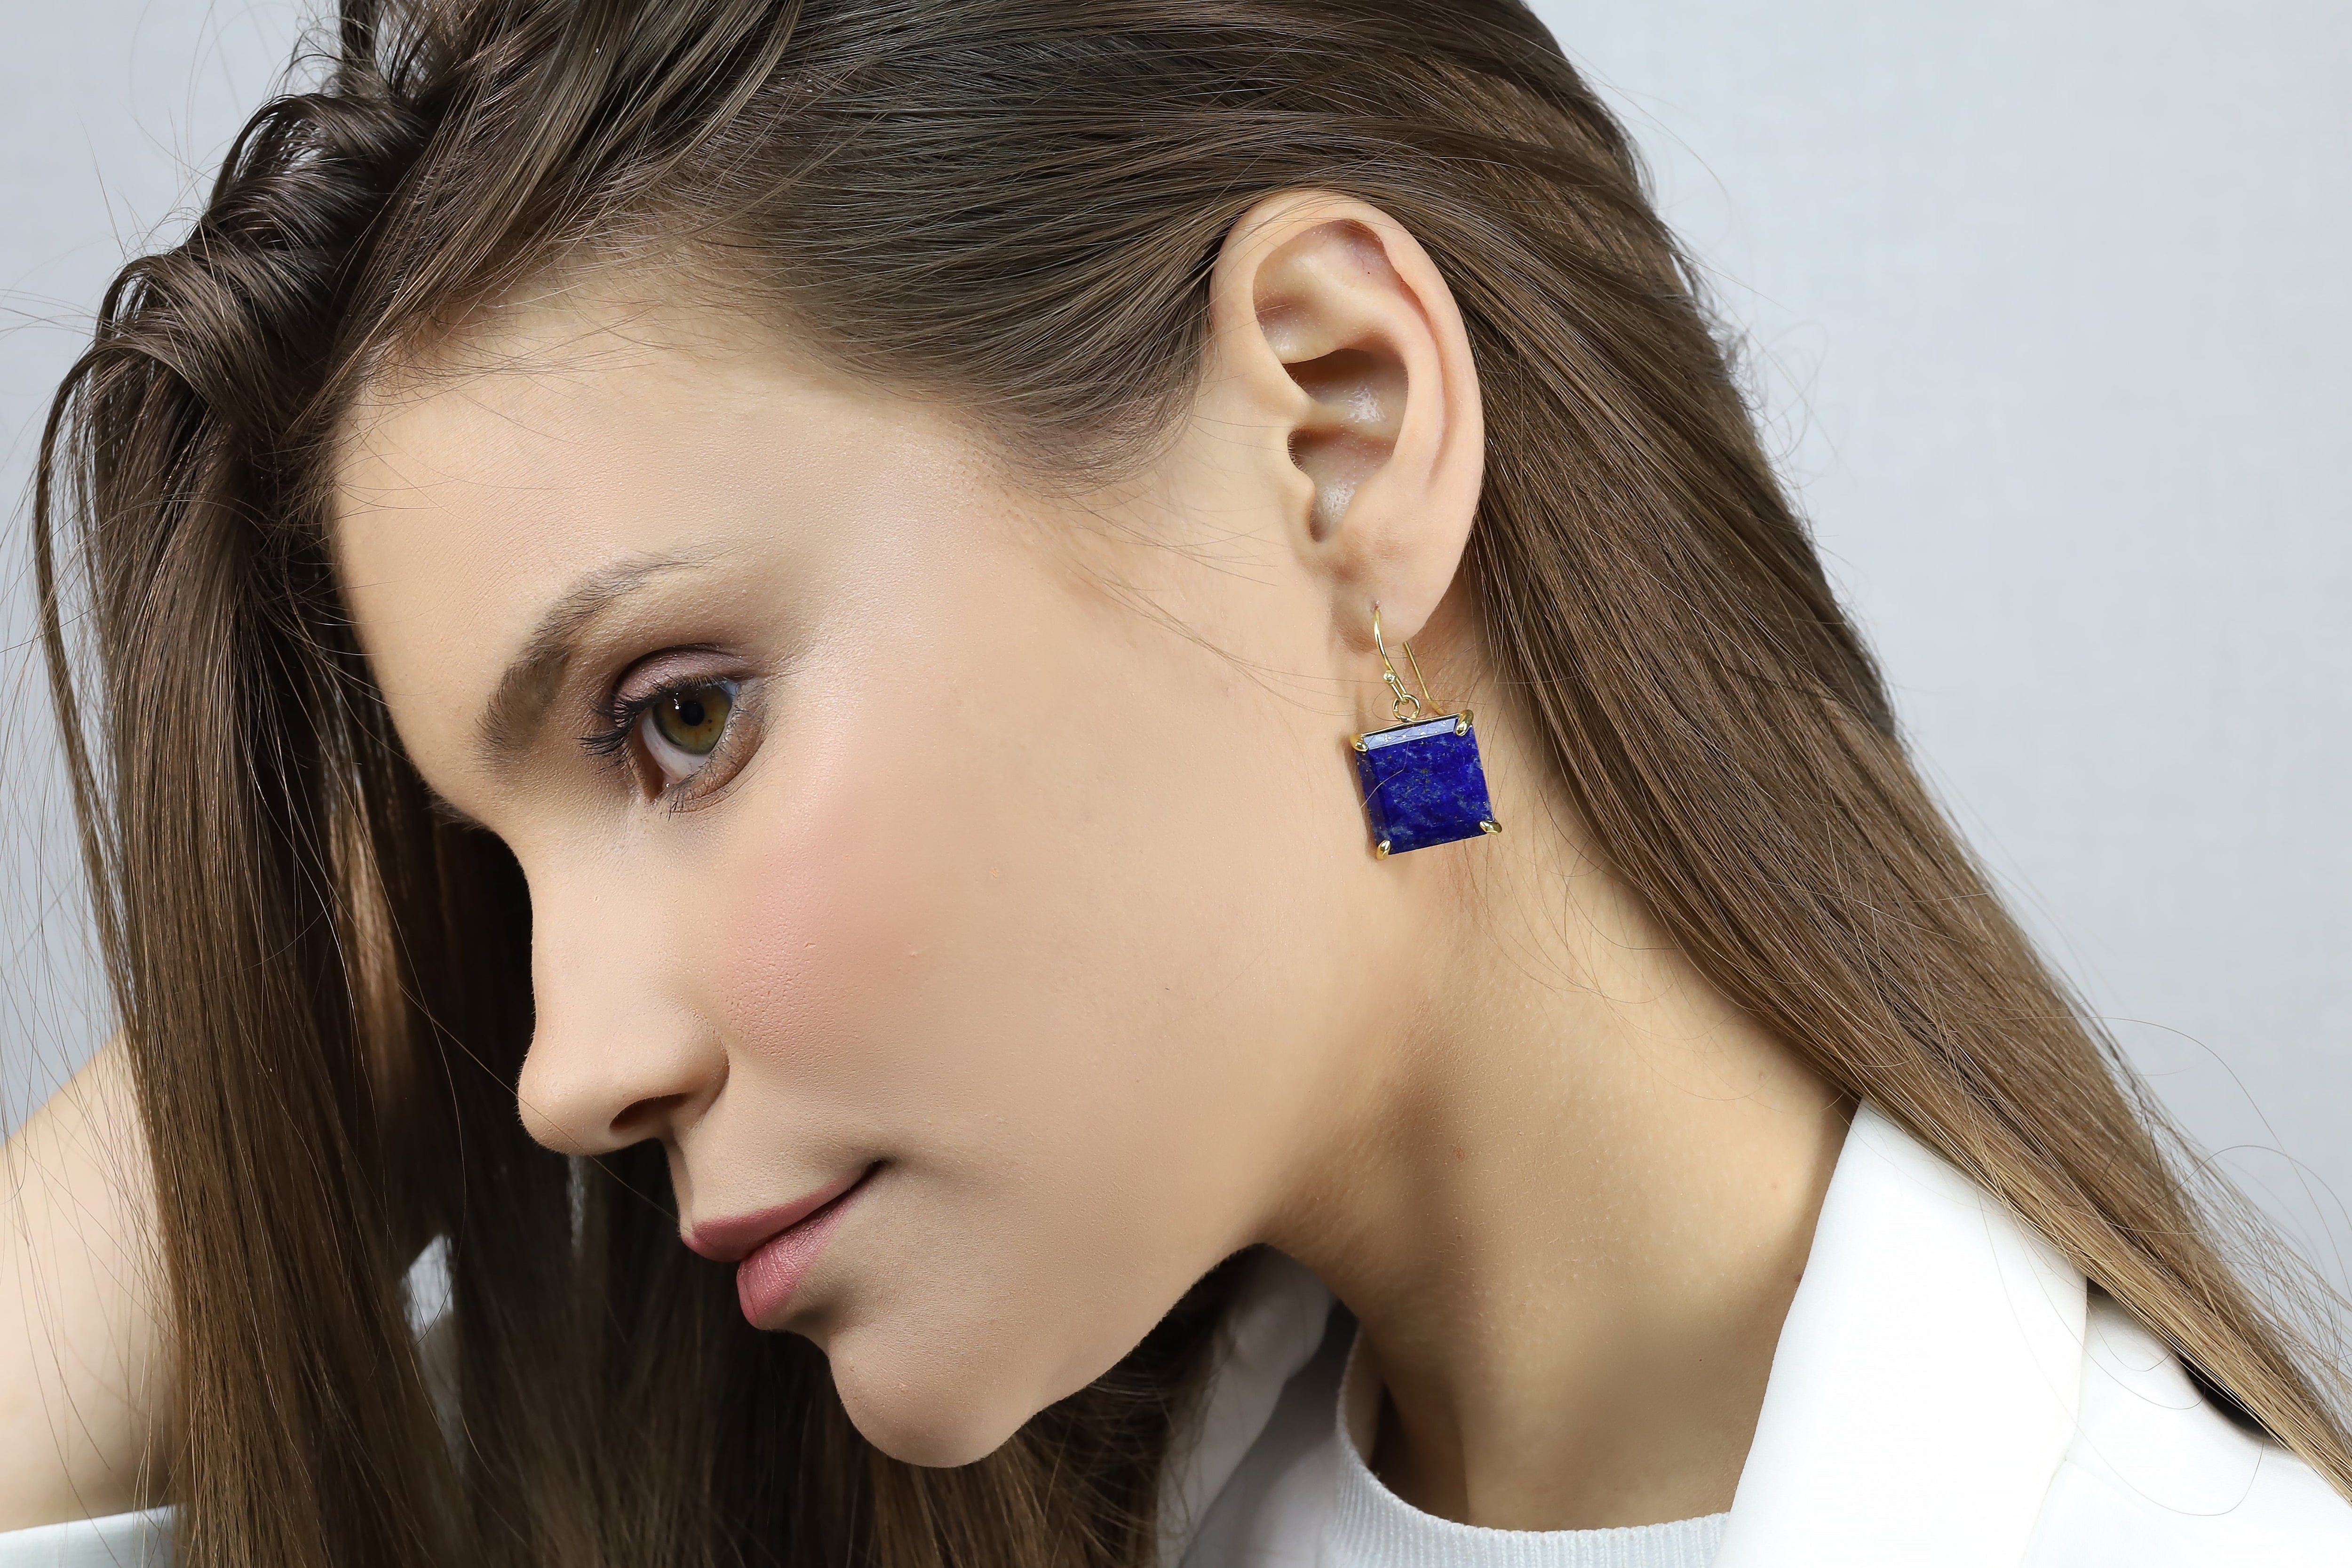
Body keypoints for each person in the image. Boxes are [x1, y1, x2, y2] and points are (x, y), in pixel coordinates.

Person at [4, 1, 2348, 1564]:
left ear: (1335, 430)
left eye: (679, 715)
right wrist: (307, 1020)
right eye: (495, 869)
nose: (561, 1073)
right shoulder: (748, 1483)